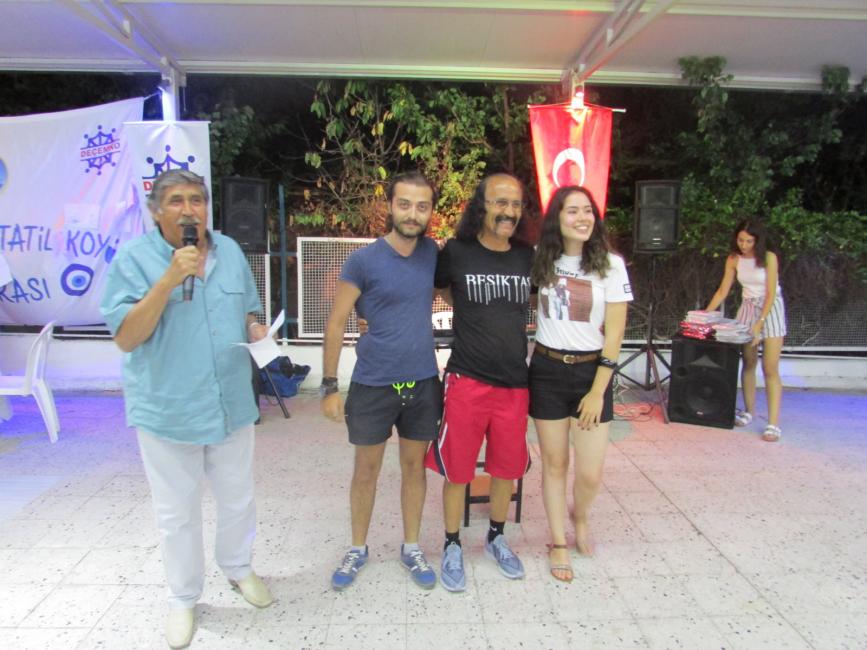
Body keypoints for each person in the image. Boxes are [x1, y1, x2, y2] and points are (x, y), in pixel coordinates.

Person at [100, 170, 273, 649]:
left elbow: (248, 310)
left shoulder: (230, 251)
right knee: (177, 513)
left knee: (238, 498)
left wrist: (256, 329)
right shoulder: (134, 260)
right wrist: (169, 280)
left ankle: (238, 567)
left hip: (230, 402)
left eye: (197, 199)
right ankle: (183, 597)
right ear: (156, 210)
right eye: (176, 200)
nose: (189, 209)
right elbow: (126, 337)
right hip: (169, 409)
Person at [321, 171, 442, 591]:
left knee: (414, 468)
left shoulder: (433, 254)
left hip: (422, 382)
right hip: (373, 384)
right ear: (389, 206)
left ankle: (412, 547)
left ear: (430, 211)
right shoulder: (364, 260)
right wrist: (329, 385)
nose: (412, 214)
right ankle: (357, 548)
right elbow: (336, 322)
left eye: (422, 206)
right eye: (404, 204)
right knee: (366, 470)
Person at [424, 173, 533, 592]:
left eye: (516, 204)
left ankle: (496, 538)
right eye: (500, 202)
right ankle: (452, 543)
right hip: (467, 379)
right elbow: (442, 290)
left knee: (506, 469)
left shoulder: (526, 256)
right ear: (481, 205)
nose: (509, 211)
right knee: (458, 470)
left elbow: (537, 299)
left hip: (515, 384)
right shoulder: (457, 252)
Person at [529, 186, 631, 582]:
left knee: (590, 473)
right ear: (557, 218)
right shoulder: (540, 259)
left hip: (591, 373)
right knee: (555, 464)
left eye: (588, 210)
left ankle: (581, 517)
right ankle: (558, 541)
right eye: (572, 211)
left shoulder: (611, 265)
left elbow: (615, 333)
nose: (582, 218)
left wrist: (598, 391)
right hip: (547, 370)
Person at [706, 219, 786, 441]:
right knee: (748, 362)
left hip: (771, 307)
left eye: (749, 241)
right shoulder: (734, 259)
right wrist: (704, 315)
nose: (744, 245)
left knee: (770, 367)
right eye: (741, 240)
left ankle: (773, 424)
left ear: (757, 241)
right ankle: (749, 411)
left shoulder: (769, 258)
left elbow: (770, 293)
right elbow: (723, 290)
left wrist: (760, 322)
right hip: (748, 307)